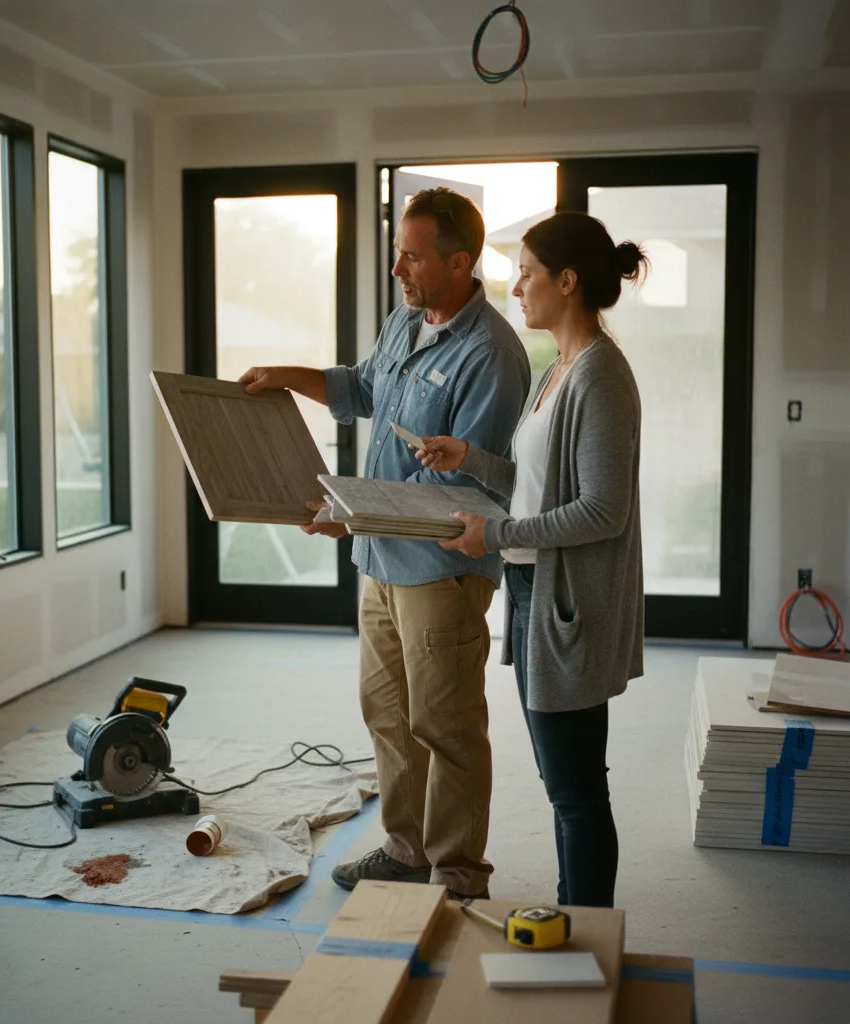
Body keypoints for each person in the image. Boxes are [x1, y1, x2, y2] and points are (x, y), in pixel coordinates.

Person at [239, 188, 530, 899]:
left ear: (460, 262)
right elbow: (362, 387)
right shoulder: (405, 321)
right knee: (389, 716)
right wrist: (288, 377)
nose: (398, 267)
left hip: (440, 570)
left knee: (446, 723)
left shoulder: (491, 354)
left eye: (412, 255)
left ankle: (460, 874)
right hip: (378, 561)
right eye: (399, 252)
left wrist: (351, 515)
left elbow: (470, 493)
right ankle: (406, 850)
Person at [416, 210, 649, 908]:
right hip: (531, 593)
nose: (514, 287)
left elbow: (603, 510)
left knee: (576, 791)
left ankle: (587, 934)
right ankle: (572, 922)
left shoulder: (599, 376)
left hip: (564, 606)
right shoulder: (560, 368)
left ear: (568, 281)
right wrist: (473, 459)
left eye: (526, 273)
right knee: (563, 785)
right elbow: (538, 478)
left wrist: (494, 535)